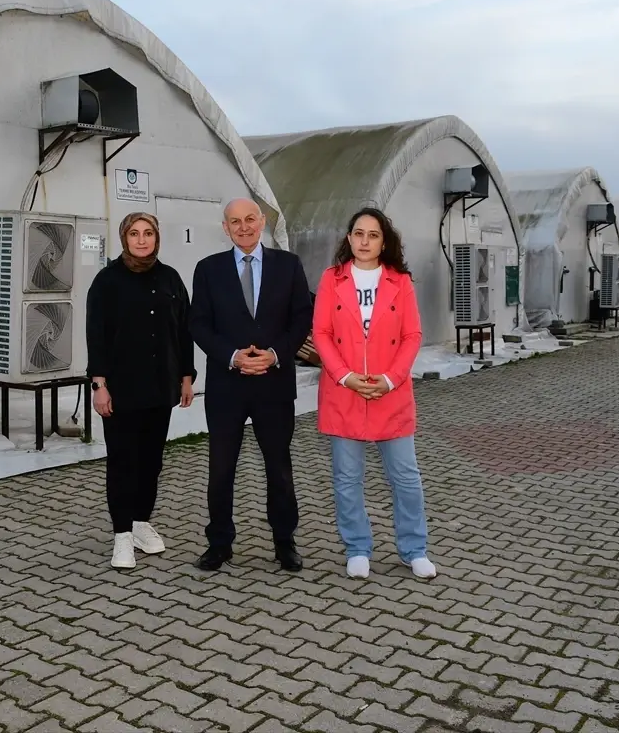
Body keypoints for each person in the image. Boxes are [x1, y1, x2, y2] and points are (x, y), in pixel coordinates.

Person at [188, 198, 313, 572]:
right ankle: (220, 543)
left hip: (274, 384)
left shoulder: (288, 265)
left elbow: (302, 317)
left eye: (250, 220)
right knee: (221, 467)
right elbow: (199, 323)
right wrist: (232, 356)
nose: (243, 227)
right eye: (235, 222)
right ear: (224, 228)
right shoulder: (207, 269)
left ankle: (284, 541)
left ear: (263, 223)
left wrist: (275, 354)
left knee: (278, 466)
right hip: (227, 384)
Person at [311, 207, 436, 580]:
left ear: (384, 243)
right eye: (359, 234)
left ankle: (414, 549)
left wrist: (391, 378)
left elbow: (413, 335)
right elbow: (321, 334)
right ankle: (357, 547)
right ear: (349, 239)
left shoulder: (401, 282)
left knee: (406, 478)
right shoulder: (331, 280)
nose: (365, 241)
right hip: (344, 392)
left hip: (390, 394)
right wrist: (344, 376)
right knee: (347, 479)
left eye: (373, 235)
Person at [86, 212, 196, 569]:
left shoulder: (170, 278)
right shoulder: (106, 282)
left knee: (151, 461)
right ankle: (121, 537)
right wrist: (99, 385)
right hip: (120, 389)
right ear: (124, 238)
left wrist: (186, 376)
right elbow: (96, 337)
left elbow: (184, 331)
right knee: (123, 462)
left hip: (159, 387)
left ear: (156, 237)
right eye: (134, 233)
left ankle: (140, 522)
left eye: (148, 233)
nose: (142, 239)